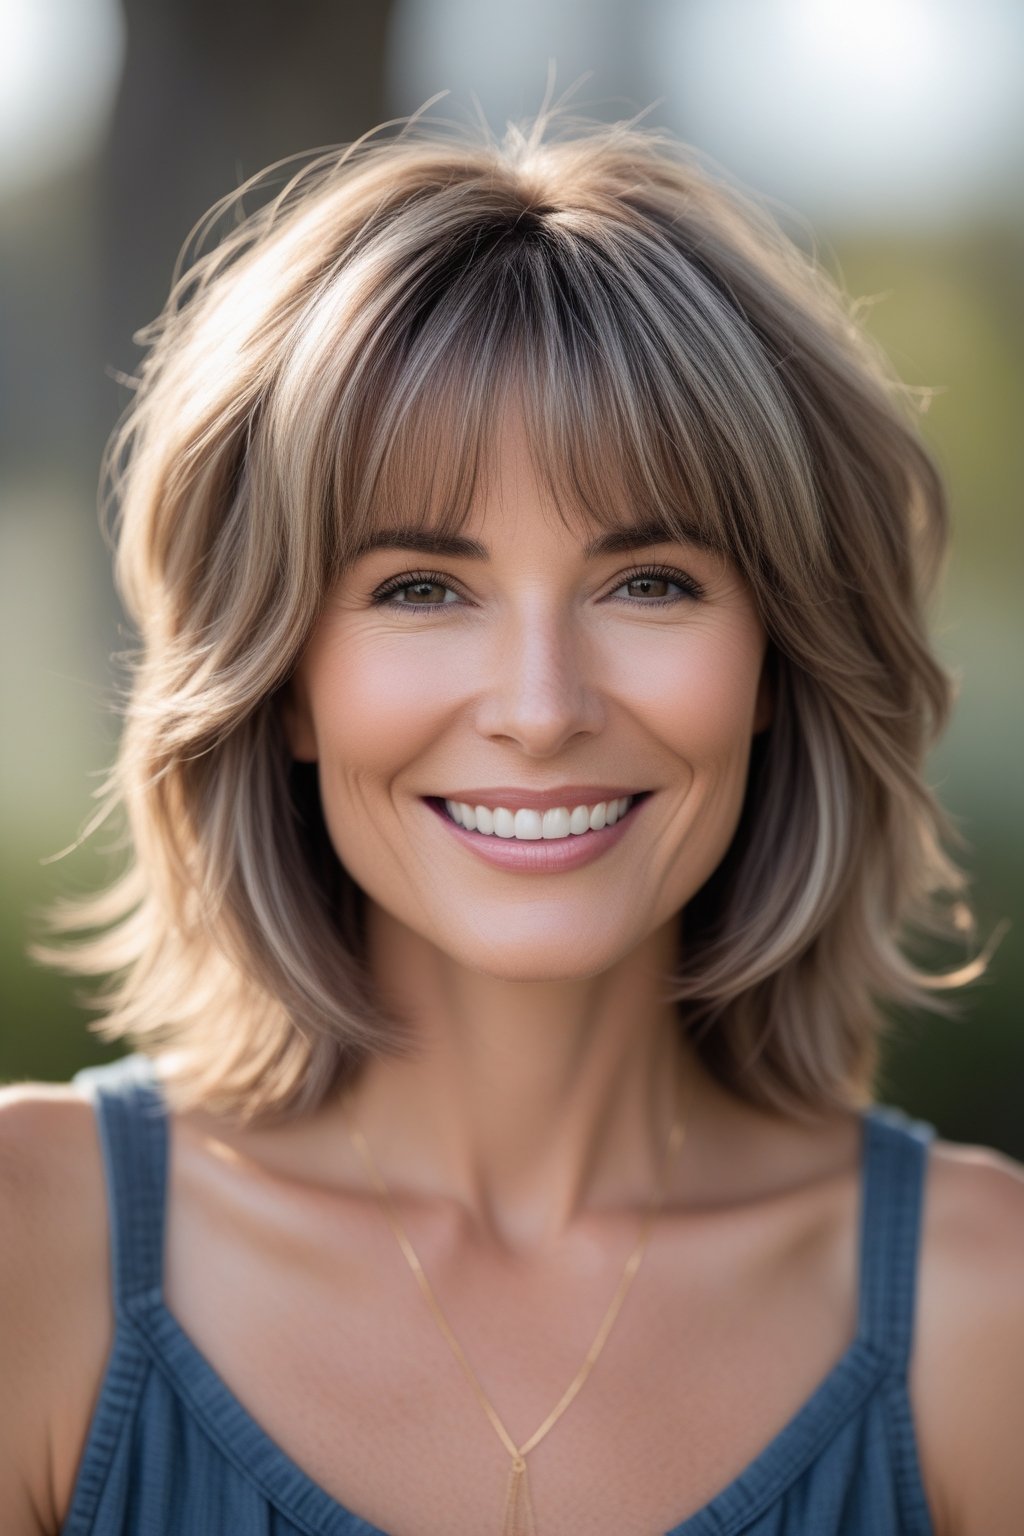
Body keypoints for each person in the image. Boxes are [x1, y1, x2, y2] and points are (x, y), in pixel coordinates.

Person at [1, 105, 1022, 1536]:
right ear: (281, 682)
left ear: (779, 661)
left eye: (650, 582)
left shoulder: (987, 1309)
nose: (542, 709)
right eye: (421, 588)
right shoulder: (33, 1249)